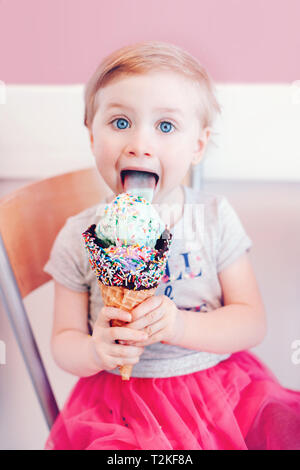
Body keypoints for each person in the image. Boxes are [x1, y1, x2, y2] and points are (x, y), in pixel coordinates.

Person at [43, 40, 300, 450]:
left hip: (219, 396)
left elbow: (251, 321)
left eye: (165, 127)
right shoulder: (80, 235)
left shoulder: (215, 219)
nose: (139, 144)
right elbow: (63, 341)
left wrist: (181, 325)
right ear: (92, 136)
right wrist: (94, 350)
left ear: (197, 146)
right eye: (121, 123)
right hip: (118, 410)